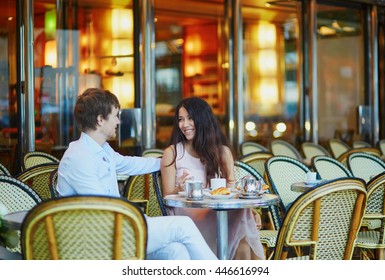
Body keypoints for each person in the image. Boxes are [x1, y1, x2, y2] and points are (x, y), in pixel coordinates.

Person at [57, 88, 217, 260]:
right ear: (100, 120)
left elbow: (130, 164)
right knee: (183, 225)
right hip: (98, 238)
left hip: (118, 226)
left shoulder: (101, 149)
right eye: (115, 115)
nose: (118, 122)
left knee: (177, 251)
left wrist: (172, 161)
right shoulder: (79, 157)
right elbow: (102, 208)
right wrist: (136, 217)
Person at [161, 97, 265, 260]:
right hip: (188, 216)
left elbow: (231, 189)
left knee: (243, 240)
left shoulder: (223, 152)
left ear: (203, 120)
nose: (184, 124)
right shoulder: (172, 153)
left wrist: (249, 210)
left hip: (218, 212)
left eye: (190, 118)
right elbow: (166, 196)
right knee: (243, 230)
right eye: (181, 119)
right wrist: (179, 189)